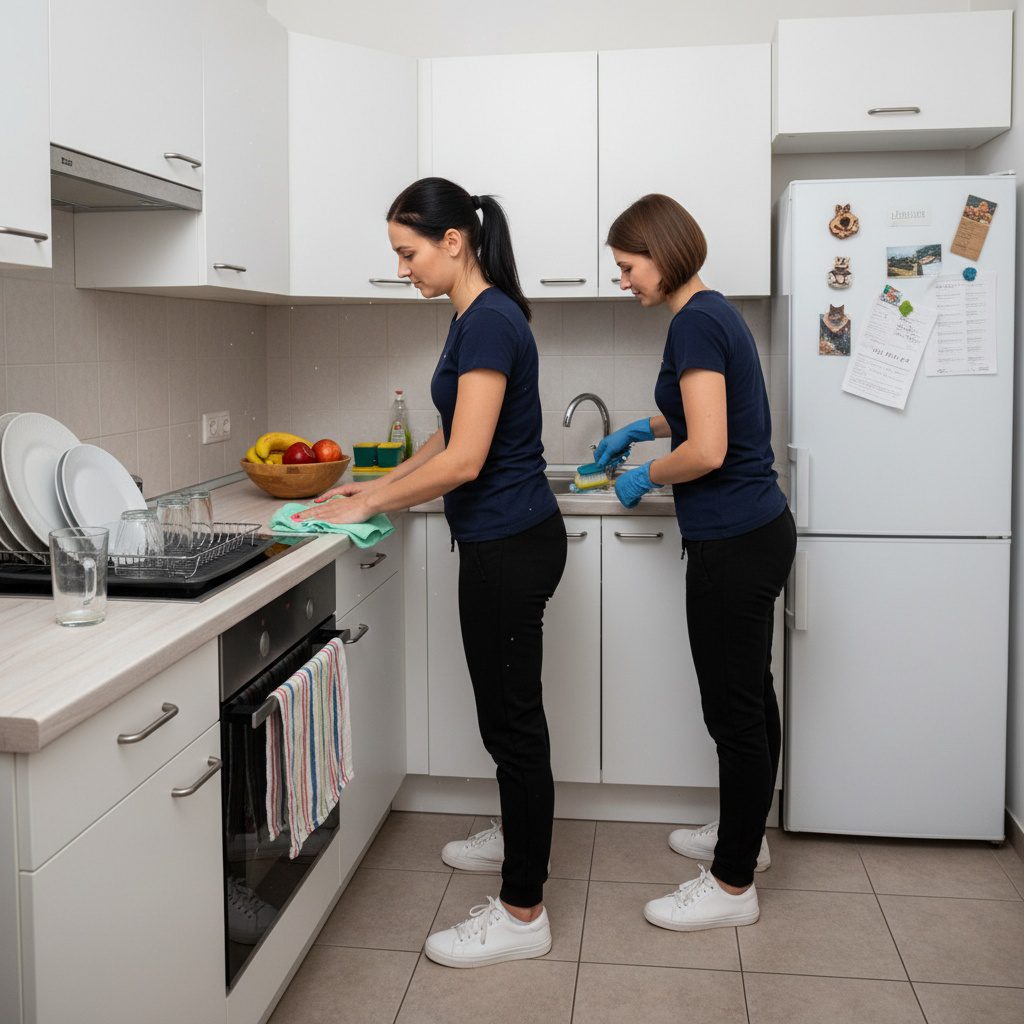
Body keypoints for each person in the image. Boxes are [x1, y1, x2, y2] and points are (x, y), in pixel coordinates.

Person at [295, 177, 566, 966]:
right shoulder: (472, 318)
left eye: (408, 253)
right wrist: (369, 491)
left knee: (513, 724)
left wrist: (368, 503)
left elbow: (467, 460)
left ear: (454, 242)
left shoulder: (487, 323)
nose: (403, 268)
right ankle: (517, 839)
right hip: (502, 540)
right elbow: (445, 436)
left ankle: (523, 912)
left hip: (510, 546)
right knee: (503, 717)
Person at [595, 193, 796, 931]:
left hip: (735, 540)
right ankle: (748, 837)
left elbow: (708, 448)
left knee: (733, 712)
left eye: (627, 266)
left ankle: (732, 885)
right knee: (751, 699)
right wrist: (642, 433)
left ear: (662, 251)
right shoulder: (711, 314)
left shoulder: (697, 320)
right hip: (753, 530)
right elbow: (702, 415)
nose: (624, 281)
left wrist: (648, 473)